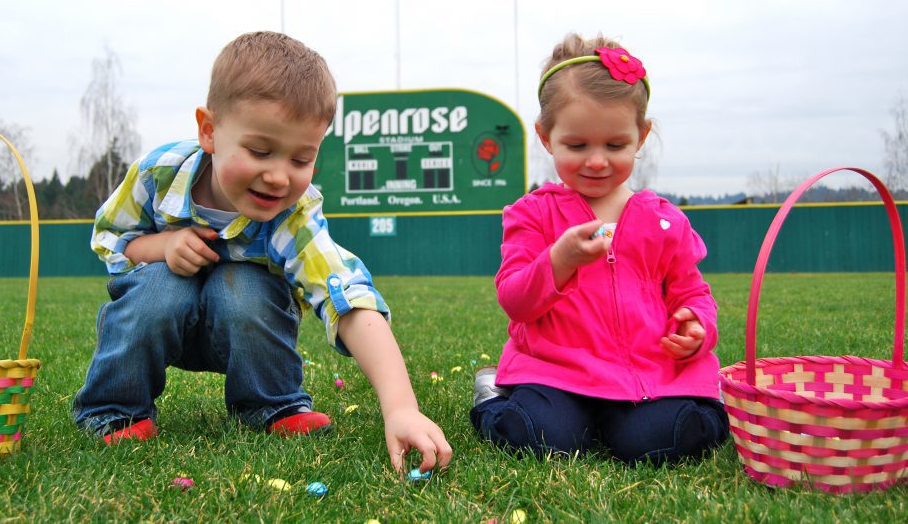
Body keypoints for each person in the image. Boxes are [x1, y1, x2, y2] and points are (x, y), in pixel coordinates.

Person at [73, 31, 452, 474]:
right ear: (209, 131)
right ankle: (115, 410)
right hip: (160, 312)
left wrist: (401, 407)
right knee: (160, 285)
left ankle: (270, 405)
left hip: (242, 324)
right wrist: (162, 246)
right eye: (259, 151)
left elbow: (345, 294)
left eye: (300, 159)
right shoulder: (158, 174)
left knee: (247, 286)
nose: (278, 177)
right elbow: (109, 237)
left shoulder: (293, 214)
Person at [471, 32, 729, 465]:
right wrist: (559, 260)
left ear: (641, 136)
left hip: (647, 377)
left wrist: (697, 327)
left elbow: (693, 295)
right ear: (546, 136)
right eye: (577, 145)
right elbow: (515, 300)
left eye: (615, 145)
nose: (596, 161)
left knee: (666, 439)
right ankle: (492, 394)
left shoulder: (665, 220)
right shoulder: (532, 214)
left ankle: (634, 421)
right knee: (540, 436)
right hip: (555, 374)